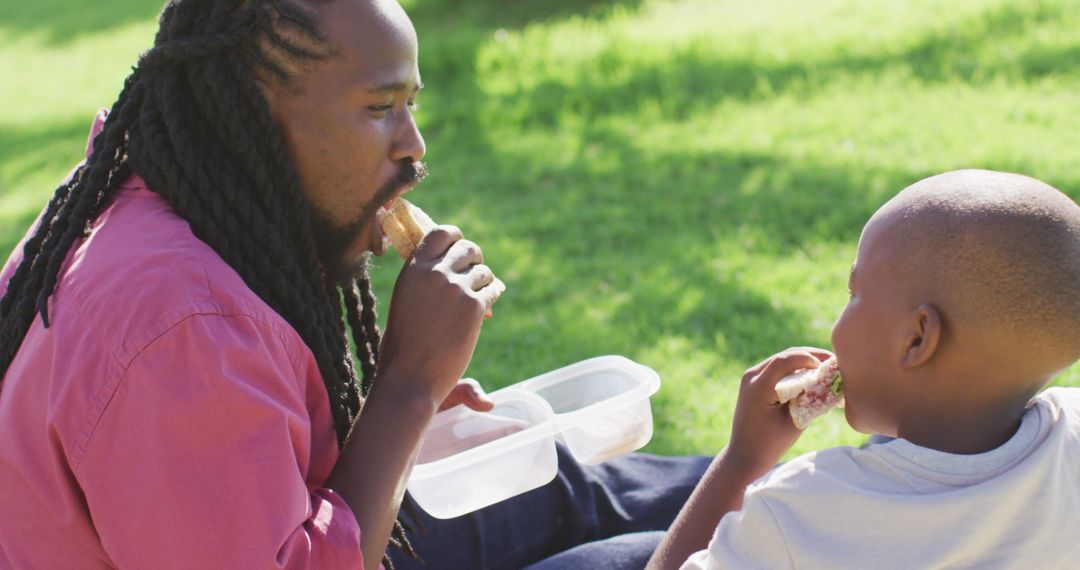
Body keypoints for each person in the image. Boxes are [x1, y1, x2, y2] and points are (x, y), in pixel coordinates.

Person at [0, 1, 708, 568]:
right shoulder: (181, 323)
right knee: (659, 559)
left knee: (559, 483)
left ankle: (794, 487)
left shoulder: (148, 194)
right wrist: (406, 386)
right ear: (251, 121)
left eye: (411, 105)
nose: (413, 145)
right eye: (379, 109)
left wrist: (386, 431)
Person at [648, 169, 1080, 569]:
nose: (838, 319)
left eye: (854, 293)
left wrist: (742, 460)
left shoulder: (798, 511)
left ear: (916, 338)